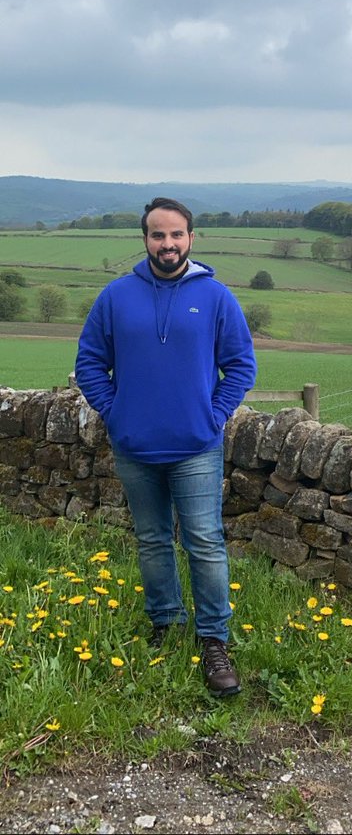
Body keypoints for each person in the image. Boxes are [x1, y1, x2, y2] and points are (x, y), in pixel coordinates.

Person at [75, 197, 257, 696]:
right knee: (152, 540)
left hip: (196, 446)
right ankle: (166, 623)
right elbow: (89, 362)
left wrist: (213, 415)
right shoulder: (116, 296)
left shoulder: (216, 297)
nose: (168, 243)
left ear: (191, 239)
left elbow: (241, 365)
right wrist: (116, 412)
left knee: (204, 541)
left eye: (177, 234)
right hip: (135, 446)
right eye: (158, 235)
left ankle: (214, 640)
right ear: (146, 240)